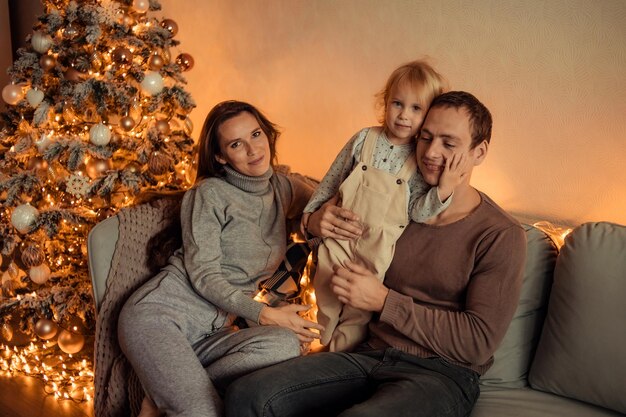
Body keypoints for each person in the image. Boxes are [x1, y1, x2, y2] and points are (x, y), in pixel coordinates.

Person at [226, 91, 527, 417]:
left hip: (441, 374)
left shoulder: (500, 235)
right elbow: (330, 242)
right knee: (248, 394)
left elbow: (477, 342)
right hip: (367, 354)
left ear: (479, 151)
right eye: (425, 138)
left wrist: (384, 302)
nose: (431, 152)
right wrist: (315, 222)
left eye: (449, 144)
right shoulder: (396, 206)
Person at [118, 100, 323, 417]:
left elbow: (321, 203)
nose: (253, 150)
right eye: (236, 144)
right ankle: (175, 392)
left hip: (211, 336)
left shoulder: (283, 188)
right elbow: (204, 277)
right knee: (207, 412)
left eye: (256, 134)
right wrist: (265, 314)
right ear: (219, 156)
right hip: (160, 317)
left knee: (286, 344)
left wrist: (318, 221)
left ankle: (164, 391)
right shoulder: (209, 194)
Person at [302, 59, 467, 352]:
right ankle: (318, 343)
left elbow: (416, 210)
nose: (404, 115)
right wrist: (311, 214)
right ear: (385, 103)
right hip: (341, 235)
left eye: (416, 109)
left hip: (377, 246)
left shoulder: (419, 159)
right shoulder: (364, 139)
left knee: (357, 310)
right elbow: (331, 180)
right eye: (397, 104)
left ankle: (339, 355)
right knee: (326, 292)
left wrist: (443, 191)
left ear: (428, 114)